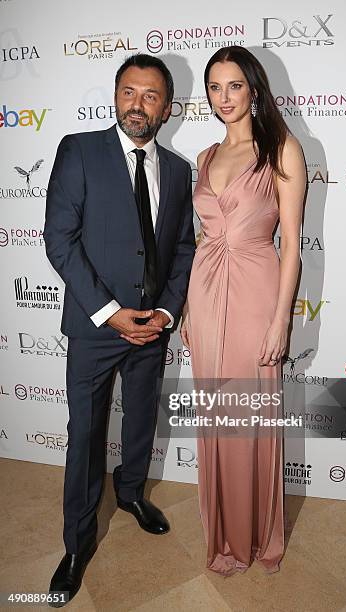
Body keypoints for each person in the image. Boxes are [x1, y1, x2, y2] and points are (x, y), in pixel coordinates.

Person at [44, 53, 195, 606]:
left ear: (167, 108)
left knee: (139, 422)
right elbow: (59, 238)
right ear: (115, 97)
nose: (137, 104)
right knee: (85, 435)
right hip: (95, 326)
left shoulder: (178, 171)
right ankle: (77, 542)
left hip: (152, 326)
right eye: (128, 92)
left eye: (150, 95)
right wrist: (110, 312)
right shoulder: (79, 151)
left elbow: (183, 249)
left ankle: (131, 493)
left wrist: (166, 313)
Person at [181, 46, 306, 576]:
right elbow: (201, 237)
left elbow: (294, 247)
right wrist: (188, 309)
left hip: (256, 294)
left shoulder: (282, 149)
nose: (224, 97)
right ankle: (225, 535)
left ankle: (256, 535)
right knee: (217, 415)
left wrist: (281, 319)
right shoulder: (206, 157)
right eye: (215, 86)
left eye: (234, 85)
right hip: (204, 297)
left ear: (254, 89)